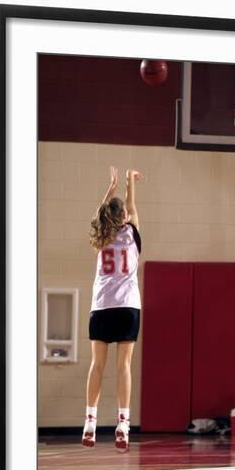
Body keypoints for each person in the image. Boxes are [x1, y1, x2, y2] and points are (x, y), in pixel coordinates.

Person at [82, 166, 143, 452]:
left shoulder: (100, 237)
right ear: (124, 218)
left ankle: (90, 422)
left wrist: (110, 187)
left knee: (98, 366)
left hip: (102, 307)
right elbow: (131, 205)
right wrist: (130, 181)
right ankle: (123, 423)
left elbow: (100, 214)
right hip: (128, 306)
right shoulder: (131, 234)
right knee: (124, 366)